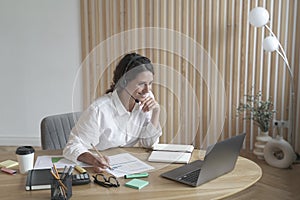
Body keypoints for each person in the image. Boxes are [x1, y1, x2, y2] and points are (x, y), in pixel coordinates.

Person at [63, 53, 162, 172]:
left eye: (150, 83)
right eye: (141, 84)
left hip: (128, 168)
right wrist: (94, 160)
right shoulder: (99, 110)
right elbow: (72, 146)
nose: (147, 90)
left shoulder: (145, 99)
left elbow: (148, 143)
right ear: (124, 82)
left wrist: (156, 112)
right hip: (101, 170)